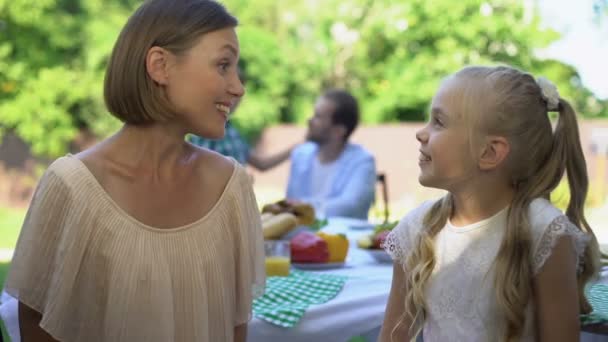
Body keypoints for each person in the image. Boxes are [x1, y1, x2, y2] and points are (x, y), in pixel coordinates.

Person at [4, 1, 264, 341]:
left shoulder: (231, 186)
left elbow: (235, 324)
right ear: (160, 66)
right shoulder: (71, 186)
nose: (238, 87)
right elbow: (36, 327)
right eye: (223, 65)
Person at [379, 65, 600, 342]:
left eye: (439, 122)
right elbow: (394, 335)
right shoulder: (417, 228)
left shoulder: (543, 231)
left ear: (489, 152)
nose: (421, 133)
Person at [286, 89, 376, 219]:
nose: (310, 121)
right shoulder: (300, 155)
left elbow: (350, 206)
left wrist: (301, 206)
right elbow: (290, 205)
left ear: (338, 130)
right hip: (300, 237)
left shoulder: (363, 161)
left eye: (318, 116)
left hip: (345, 238)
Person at [189, 67, 294, 170]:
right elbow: (198, 173)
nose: (238, 97)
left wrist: (296, 147)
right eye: (232, 91)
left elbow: (261, 164)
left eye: (241, 92)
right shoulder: (204, 131)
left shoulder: (232, 131)